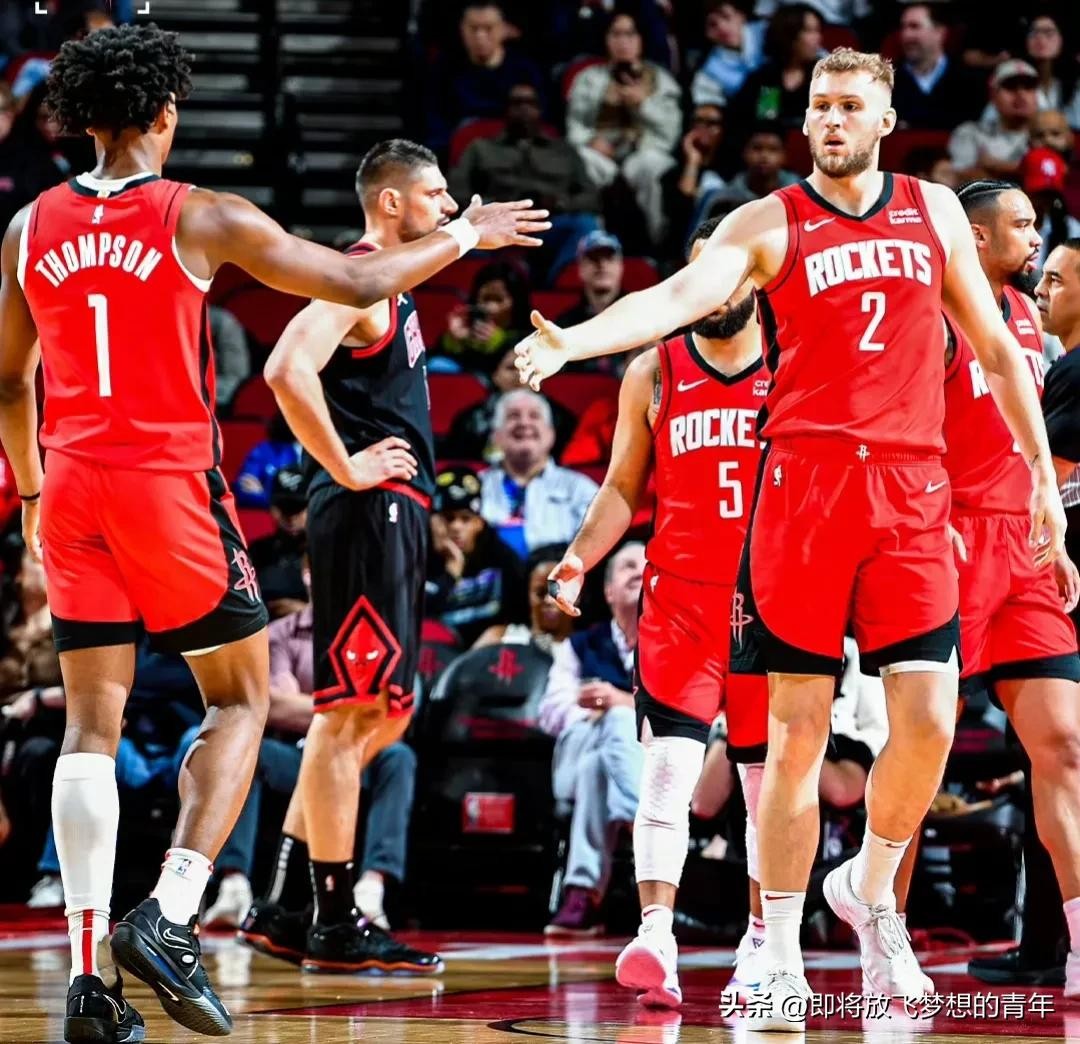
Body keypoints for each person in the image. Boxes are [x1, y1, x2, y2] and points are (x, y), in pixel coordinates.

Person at [0, 23, 545, 1043]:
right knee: (241, 699)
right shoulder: (200, 213)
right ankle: (169, 912)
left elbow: (6, 382)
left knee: (87, 730)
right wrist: (465, 235)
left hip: (68, 484)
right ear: (167, 114)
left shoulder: (28, 225)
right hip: (164, 481)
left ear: (81, 118)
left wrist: (30, 495)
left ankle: (86, 983)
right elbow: (355, 283)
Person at [516, 47, 1063, 1029]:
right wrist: (575, 340)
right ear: (805, 119)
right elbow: (678, 297)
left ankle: (871, 890)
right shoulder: (767, 221)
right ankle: (774, 943)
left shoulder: (935, 211)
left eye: (851, 105)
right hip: (803, 496)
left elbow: (994, 349)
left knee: (930, 723)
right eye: (820, 106)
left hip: (910, 491)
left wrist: (1038, 480)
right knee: (795, 736)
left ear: (885, 119)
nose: (832, 120)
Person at [255, 137, 546, 977]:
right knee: (350, 714)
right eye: (437, 195)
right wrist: (346, 466)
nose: (450, 208)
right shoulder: (357, 279)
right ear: (391, 203)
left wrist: (463, 236)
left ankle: (287, 903)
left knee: (376, 715)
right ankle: (334, 916)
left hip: (390, 514)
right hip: (366, 509)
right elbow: (284, 368)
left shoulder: (393, 286)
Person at [547, 216, 771, 1006]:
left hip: (771, 601)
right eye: (699, 268)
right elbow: (620, 488)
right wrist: (579, 558)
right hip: (678, 598)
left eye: (729, 268)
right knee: (668, 771)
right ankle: (655, 936)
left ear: (758, 275)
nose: (715, 285)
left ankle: (764, 941)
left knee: (764, 785)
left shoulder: (795, 363)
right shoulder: (653, 369)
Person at [887, 183, 1080, 992]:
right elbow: (897, 428)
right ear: (973, 236)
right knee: (918, 750)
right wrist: (928, 518)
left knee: (1064, 745)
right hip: (954, 538)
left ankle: (1077, 945)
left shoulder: (1027, 316)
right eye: (1022, 226)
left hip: (1027, 547)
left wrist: (1054, 527)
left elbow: (1036, 445)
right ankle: (886, 936)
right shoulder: (930, 314)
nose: (1036, 240)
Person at [542, 541, 645, 937]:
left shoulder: (673, 643)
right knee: (608, 730)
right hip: (580, 752)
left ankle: (583, 894)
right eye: (628, 566)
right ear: (608, 591)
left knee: (596, 767)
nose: (639, 572)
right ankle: (646, 828)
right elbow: (551, 711)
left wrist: (621, 703)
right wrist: (597, 714)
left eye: (646, 566)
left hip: (651, 761)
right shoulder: (578, 645)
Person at [449, 82, 601, 280]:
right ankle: (492, 282)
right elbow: (456, 192)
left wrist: (561, 203)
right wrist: (493, 206)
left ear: (540, 110)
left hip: (551, 223)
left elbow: (592, 197)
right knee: (463, 231)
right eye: (517, 103)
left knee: (586, 225)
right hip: (497, 224)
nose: (523, 109)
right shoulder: (480, 148)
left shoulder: (564, 151)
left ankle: (553, 282)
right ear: (506, 110)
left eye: (530, 103)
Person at [566, 11, 682, 247]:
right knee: (583, 160)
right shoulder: (588, 78)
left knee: (649, 166)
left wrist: (643, 104)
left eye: (630, 34)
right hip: (600, 154)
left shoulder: (661, 80)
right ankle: (594, 243)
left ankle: (657, 243)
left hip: (643, 152)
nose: (623, 42)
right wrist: (590, 141)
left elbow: (670, 135)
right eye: (616, 34)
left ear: (641, 40)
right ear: (606, 39)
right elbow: (574, 126)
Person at [479, 389, 598, 559]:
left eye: (534, 416)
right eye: (513, 416)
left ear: (551, 434)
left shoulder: (580, 488)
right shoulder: (478, 485)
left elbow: (596, 545)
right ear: (496, 435)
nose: (524, 423)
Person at [426, 466, 528, 648]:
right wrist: (450, 574)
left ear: (479, 522)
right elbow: (419, 615)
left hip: (489, 654)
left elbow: (523, 617)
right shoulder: (419, 558)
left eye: (465, 519)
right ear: (433, 521)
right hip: (434, 655)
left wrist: (502, 632)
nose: (456, 527)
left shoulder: (501, 557)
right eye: (448, 518)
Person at [890, 3, 981, 131]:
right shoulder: (888, 80)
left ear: (939, 32)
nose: (906, 35)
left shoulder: (969, 80)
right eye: (903, 27)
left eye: (914, 26)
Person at [949, 59, 1040, 182]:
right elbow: (961, 179)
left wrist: (994, 166)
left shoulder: (1050, 134)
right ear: (993, 95)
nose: (1021, 93)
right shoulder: (969, 133)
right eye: (1010, 86)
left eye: (1028, 87)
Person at [437, 260, 532, 376]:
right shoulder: (465, 326)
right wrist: (454, 340)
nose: (490, 307)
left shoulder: (530, 336)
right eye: (486, 298)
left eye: (498, 299)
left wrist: (499, 343)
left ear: (517, 302)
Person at [247, 466, 308, 619]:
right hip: (265, 627)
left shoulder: (329, 554)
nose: (291, 517)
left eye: (298, 508)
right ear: (272, 507)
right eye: (284, 507)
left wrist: (307, 612)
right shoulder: (257, 552)